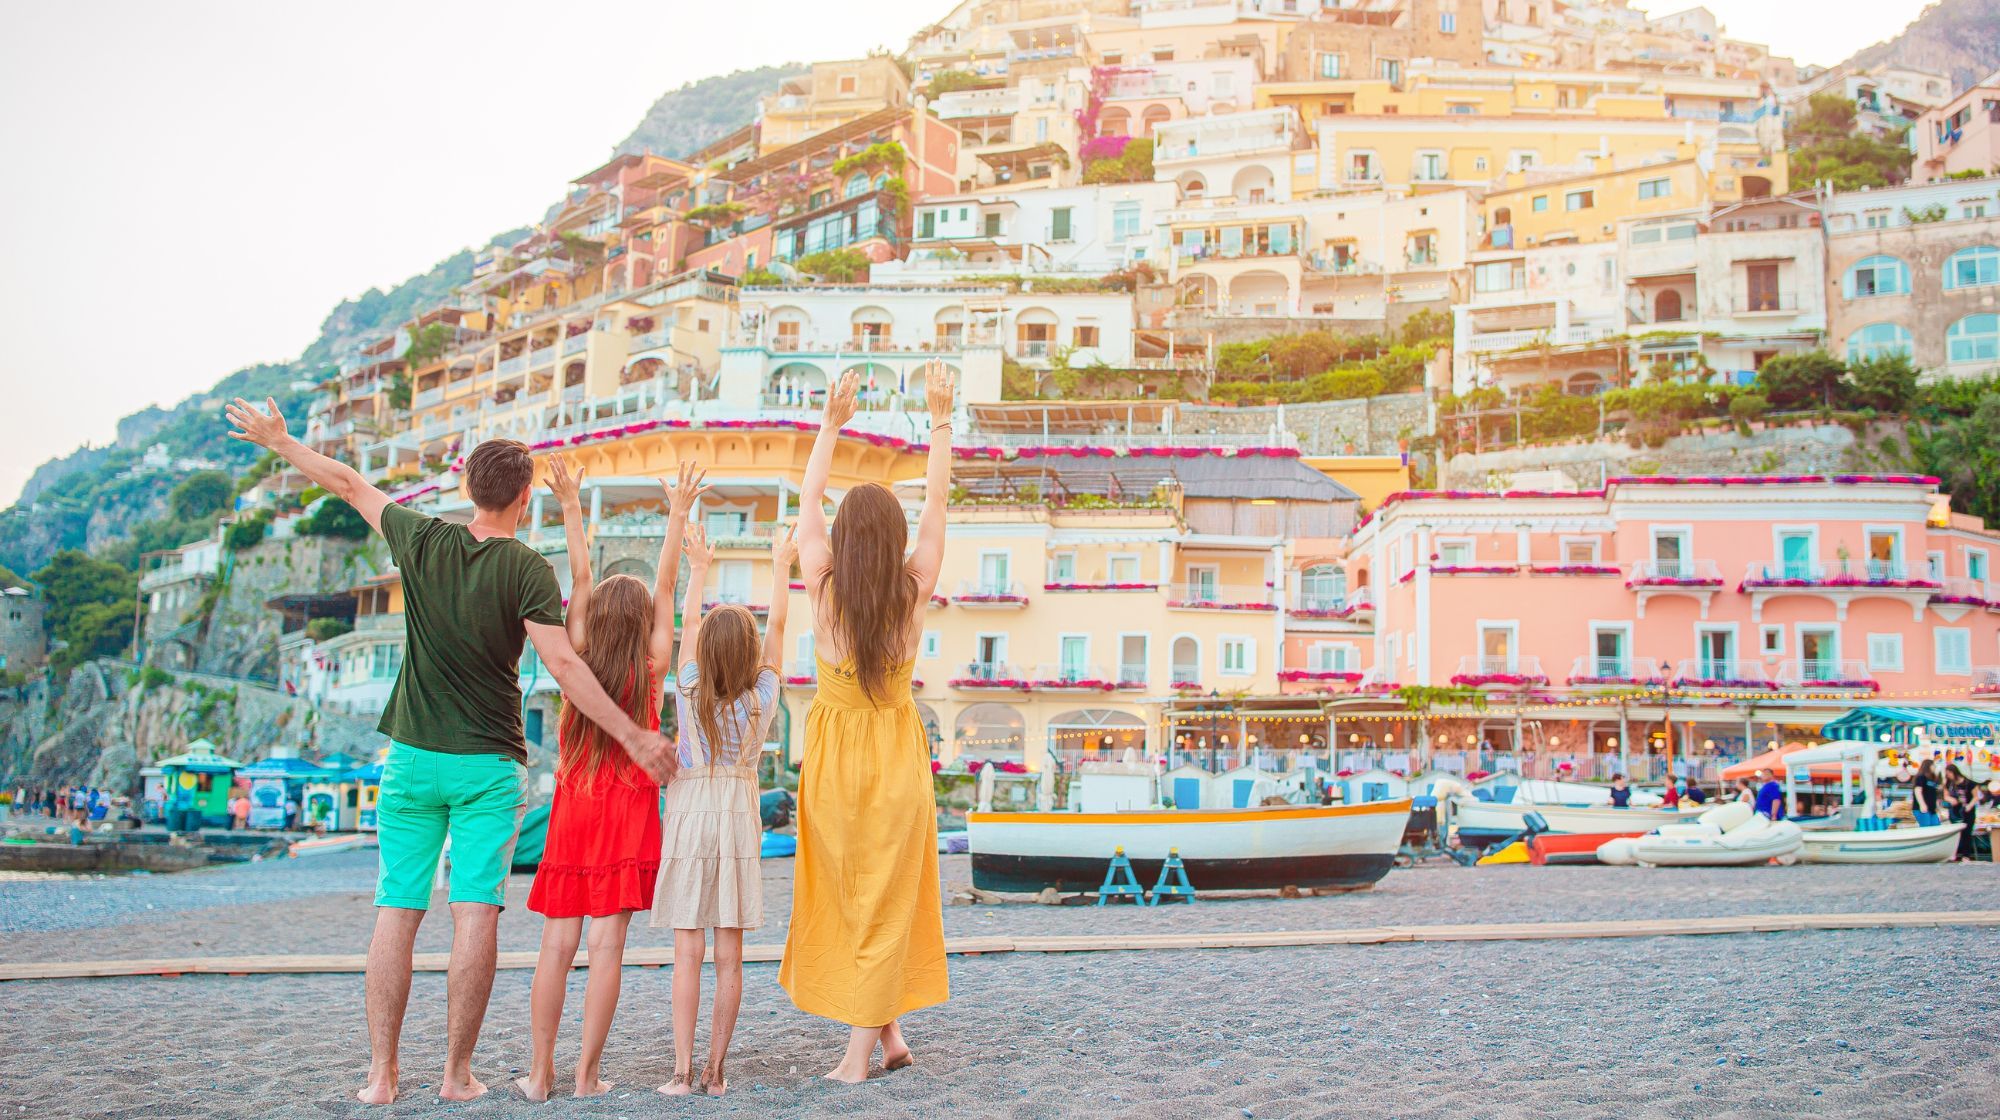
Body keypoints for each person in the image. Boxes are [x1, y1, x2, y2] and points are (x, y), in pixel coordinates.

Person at [225, 397, 671, 1105]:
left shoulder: (422, 539)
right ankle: (457, 1074)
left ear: (466, 487)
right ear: (525, 498)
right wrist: (633, 732)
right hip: (488, 764)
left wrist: (282, 442)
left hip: (411, 757)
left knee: (396, 911)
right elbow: (563, 665)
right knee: (474, 912)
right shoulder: (527, 569)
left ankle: (382, 1076)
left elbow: (345, 482)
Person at [778, 365, 954, 1083]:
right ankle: (888, 1037)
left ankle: (857, 1057)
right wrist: (940, 420)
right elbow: (940, 503)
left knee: (859, 895)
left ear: (846, 539)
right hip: (897, 754)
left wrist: (829, 423)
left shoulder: (821, 587)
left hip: (835, 760)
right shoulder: (914, 588)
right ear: (895, 538)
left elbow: (810, 497)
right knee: (881, 894)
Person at [514, 458, 702, 1103]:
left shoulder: (579, 657)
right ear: (645, 620)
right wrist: (677, 515)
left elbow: (583, 575)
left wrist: (571, 504)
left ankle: (539, 1076)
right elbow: (670, 582)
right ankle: (586, 1075)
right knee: (606, 946)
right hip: (626, 808)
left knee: (556, 943)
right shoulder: (653, 665)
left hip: (573, 801)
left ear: (594, 620)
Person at [654, 520, 793, 1097]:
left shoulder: (688, 690)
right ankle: (716, 1073)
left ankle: (682, 1072)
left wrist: (699, 570)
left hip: (689, 813)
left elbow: (688, 627)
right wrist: (782, 565)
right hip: (738, 814)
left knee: (689, 950)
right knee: (730, 955)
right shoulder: (761, 698)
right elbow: (780, 625)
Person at [1943, 763, 1980, 863]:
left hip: (1967, 811)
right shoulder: (1948, 784)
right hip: (1955, 812)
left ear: (1954, 772)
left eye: (1949, 774)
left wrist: (1969, 805)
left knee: (1966, 833)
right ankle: (1954, 854)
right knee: (1955, 833)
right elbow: (1945, 795)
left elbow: (1976, 796)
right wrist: (1951, 799)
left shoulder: (1969, 783)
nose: (1948, 776)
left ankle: (1966, 855)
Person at [1911, 759, 1943, 827]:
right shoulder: (1921, 777)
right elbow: (1917, 791)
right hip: (1922, 809)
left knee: (1936, 826)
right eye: (1933, 765)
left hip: (1932, 809)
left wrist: (1938, 809)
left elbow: (1934, 795)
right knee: (1926, 827)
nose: (1934, 767)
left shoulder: (1932, 779)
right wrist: (1922, 804)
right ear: (1928, 766)